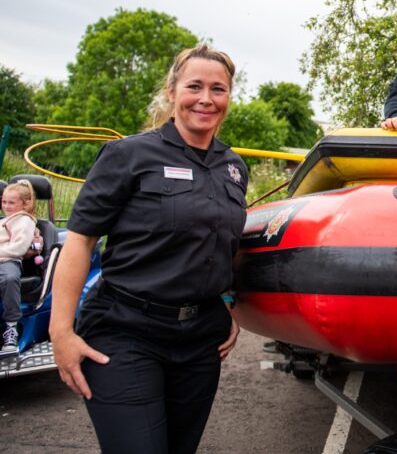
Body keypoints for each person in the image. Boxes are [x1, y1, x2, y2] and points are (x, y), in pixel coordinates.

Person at [49, 45, 248, 453]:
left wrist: (226, 301)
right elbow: (81, 240)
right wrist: (60, 332)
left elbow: (223, 243)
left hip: (200, 340)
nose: (206, 99)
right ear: (172, 91)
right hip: (125, 330)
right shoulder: (129, 155)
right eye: (195, 86)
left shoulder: (234, 168)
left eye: (219, 89)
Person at [1, 179, 38, 354]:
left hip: (10, 261)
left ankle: (11, 330)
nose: (7, 206)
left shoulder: (25, 221)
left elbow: (19, 248)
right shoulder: (4, 221)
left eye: (11, 203)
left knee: (9, 278)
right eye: (4, 202)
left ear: (25, 204)